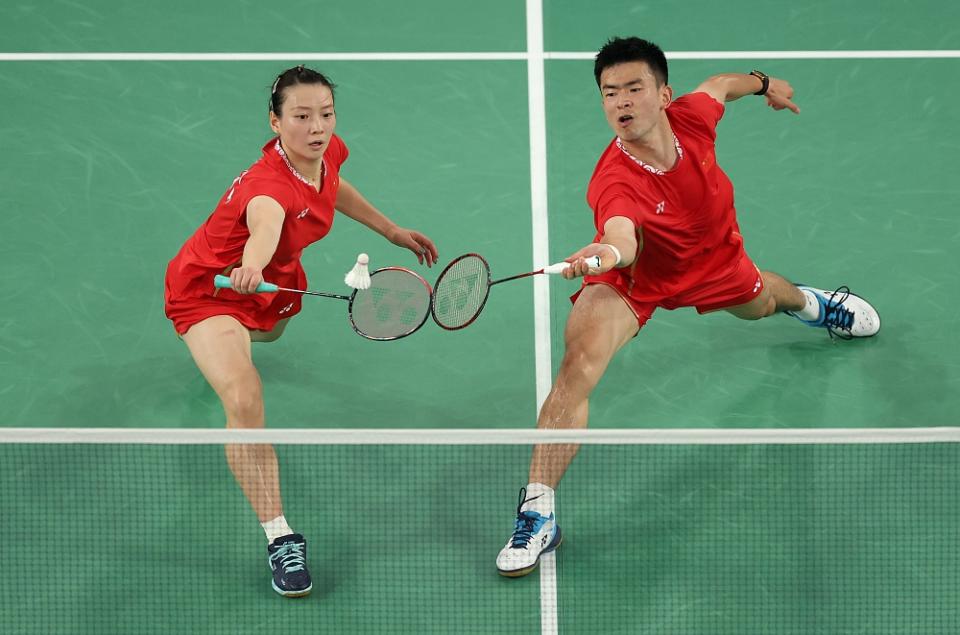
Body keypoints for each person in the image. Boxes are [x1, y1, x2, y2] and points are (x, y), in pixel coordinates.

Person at [495, 37, 880, 577]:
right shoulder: (614, 179)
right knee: (576, 365)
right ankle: (537, 513)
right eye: (609, 93)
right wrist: (605, 253)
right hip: (634, 278)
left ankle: (813, 304)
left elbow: (721, 86)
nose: (622, 102)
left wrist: (766, 84)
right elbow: (622, 236)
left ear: (663, 93)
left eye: (633, 88)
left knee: (765, 302)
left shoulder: (692, 118)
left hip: (713, 260)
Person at [164, 65, 438, 596]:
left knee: (265, 339)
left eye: (326, 114)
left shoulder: (324, 152)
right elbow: (264, 227)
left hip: (271, 285)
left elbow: (336, 186)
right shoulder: (268, 190)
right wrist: (251, 264)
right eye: (302, 117)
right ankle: (279, 536)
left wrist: (392, 231)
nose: (318, 127)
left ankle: (224, 357)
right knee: (243, 395)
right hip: (212, 289)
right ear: (275, 122)